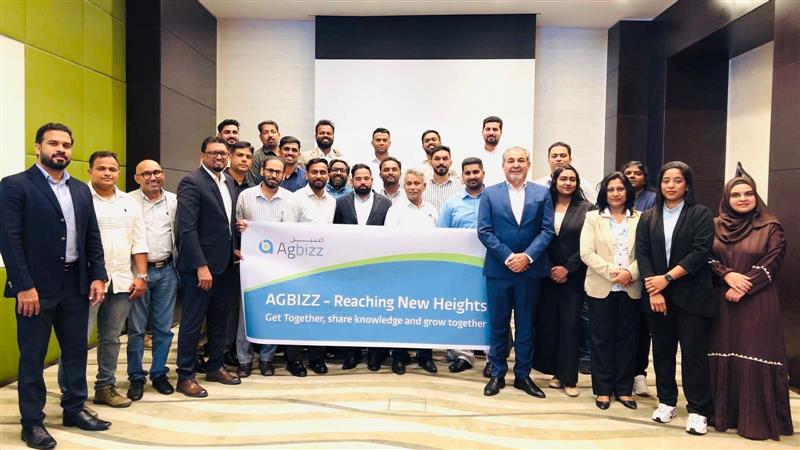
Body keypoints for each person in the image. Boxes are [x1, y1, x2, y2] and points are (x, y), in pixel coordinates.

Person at [0, 123, 110, 449]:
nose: (61, 149)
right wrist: (23, 285)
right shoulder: (15, 186)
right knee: (32, 357)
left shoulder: (80, 190)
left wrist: (98, 275)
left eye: (66, 145)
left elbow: (92, 236)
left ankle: (74, 409)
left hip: (75, 284)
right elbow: (9, 239)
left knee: (75, 352)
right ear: (38, 148)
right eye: (53, 143)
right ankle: (32, 423)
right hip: (35, 288)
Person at [709, 176, 793, 440]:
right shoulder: (714, 225)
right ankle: (723, 415)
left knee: (755, 353)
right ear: (727, 198)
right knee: (724, 351)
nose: (743, 198)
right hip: (723, 301)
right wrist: (726, 275)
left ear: (756, 197)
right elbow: (706, 257)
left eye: (748, 193)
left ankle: (756, 421)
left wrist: (743, 285)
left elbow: (773, 260)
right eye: (736, 195)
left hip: (758, 301)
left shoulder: (771, 227)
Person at [635, 161, 716, 435]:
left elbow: (700, 252)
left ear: (687, 185)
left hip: (692, 296)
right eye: (666, 180)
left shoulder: (700, 214)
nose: (671, 185)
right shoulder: (648, 217)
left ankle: (698, 410)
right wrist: (655, 289)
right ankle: (667, 401)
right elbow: (643, 254)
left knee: (694, 356)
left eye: (677, 180)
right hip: (657, 297)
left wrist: (666, 279)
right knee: (662, 353)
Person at [478, 147, 553, 398]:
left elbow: (547, 231)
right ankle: (497, 373)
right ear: (503, 165)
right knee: (499, 325)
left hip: (530, 271)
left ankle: (523, 375)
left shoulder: (542, 193)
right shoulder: (490, 194)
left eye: (521, 160)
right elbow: (484, 231)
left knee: (526, 326)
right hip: (499, 270)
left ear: (528, 164)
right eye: (511, 160)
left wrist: (527, 256)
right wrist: (509, 257)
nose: (516, 165)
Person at [175, 136, 242, 398]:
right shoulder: (192, 182)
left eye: (223, 153)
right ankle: (185, 376)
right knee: (192, 322)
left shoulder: (229, 183)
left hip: (225, 264)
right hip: (200, 268)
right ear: (203, 155)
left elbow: (223, 224)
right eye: (214, 153)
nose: (219, 157)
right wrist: (200, 265)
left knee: (219, 320)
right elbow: (187, 229)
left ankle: (215, 366)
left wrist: (233, 246)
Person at [235, 156, 310, 377]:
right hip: (251, 265)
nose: (273, 175)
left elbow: (295, 233)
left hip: (279, 266)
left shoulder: (291, 200)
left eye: (278, 172)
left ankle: (267, 359)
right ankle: (244, 360)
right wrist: (240, 231)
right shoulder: (246, 196)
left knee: (272, 311)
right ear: (262, 171)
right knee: (246, 313)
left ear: (283, 174)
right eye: (270, 170)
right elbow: (235, 226)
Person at [87, 151, 149, 408]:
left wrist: (141, 276)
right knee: (77, 341)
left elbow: (139, 241)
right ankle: (73, 394)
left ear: (119, 172)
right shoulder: (81, 199)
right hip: (89, 283)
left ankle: (105, 386)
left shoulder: (129, 202)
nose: (107, 173)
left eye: (112, 169)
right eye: (101, 168)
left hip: (123, 280)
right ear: (90, 171)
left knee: (111, 338)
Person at [580, 172, 642, 410]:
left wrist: (630, 273)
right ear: (604, 193)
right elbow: (586, 253)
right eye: (611, 189)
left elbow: (646, 252)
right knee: (601, 340)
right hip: (601, 286)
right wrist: (615, 272)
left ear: (628, 191)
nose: (616, 193)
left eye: (620, 189)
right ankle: (603, 390)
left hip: (631, 287)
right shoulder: (593, 218)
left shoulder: (641, 218)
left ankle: (624, 389)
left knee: (628, 340)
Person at [534, 141, 596, 375]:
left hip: (574, 275)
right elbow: (538, 238)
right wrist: (550, 266)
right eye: (563, 179)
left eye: (572, 179)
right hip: (546, 273)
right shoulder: (543, 205)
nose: (567, 183)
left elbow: (589, 244)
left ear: (577, 183)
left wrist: (567, 268)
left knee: (571, 326)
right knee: (547, 323)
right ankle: (549, 370)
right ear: (555, 182)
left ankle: (567, 376)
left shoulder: (587, 208)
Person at [127, 160, 179, 401]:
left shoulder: (174, 201)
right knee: (137, 329)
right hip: (138, 273)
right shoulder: (128, 202)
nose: (152, 177)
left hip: (167, 270)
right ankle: (136, 376)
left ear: (163, 174)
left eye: (157, 172)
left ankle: (159, 373)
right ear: (137, 178)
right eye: (146, 173)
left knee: (163, 328)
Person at [332, 164, 392, 370]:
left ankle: (374, 355)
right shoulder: (341, 203)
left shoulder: (386, 204)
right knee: (351, 312)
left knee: (375, 311)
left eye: (366, 178)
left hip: (377, 269)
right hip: (349, 268)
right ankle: (352, 354)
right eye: (358, 178)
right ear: (352, 181)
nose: (363, 182)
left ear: (372, 180)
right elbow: (335, 233)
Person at [381, 169, 439, 374]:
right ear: (404, 186)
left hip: (427, 272)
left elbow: (440, 239)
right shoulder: (395, 210)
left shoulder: (432, 209)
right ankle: (399, 356)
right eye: (409, 184)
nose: (413, 187)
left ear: (424, 186)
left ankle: (425, 356)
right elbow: (388, 241)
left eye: (417, 183)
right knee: (402, 313)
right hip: (402, 271)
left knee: (426, 313)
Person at [439, 157, 485, 372]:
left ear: (483, 173)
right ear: (462, 177)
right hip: (460, 266)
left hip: (491, 264)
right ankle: (462, 355)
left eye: (476, 172)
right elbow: (442, 235)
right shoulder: (452, 203)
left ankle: (493, 357)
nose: (472, 176)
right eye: (468, 173)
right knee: (460, 309)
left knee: (491, 309)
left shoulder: (495, 199)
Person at [621, 160, 656, 397]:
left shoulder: (652, 200)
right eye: (628, 173)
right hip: (614, 277)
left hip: (643, 276)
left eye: (637, 173)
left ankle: (639, 375)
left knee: (641, 330)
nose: (632, 176)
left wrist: (633, 272)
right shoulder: (616, 200)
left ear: (645, 177)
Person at [221, 141, 255, 368]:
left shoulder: (252, 187)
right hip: (224, 253)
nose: (244, 160)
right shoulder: (221, 183)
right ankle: (219, 350)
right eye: (240, 155)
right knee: (224, 305)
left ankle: (231, 349)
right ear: (230, 157)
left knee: (238, 305)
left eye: (248, 157)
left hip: (248, 256)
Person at [422, 145, 462, 210]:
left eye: (445, 159)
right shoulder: (423, 188)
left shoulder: (461, 187)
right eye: (437, 159)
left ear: (450, 163)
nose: (441, 162)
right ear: (430, 163)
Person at [246, 120, 280, 186]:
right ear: (260, 137)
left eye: (273, 132)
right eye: (265, 133)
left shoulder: (287, 153)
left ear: (278, 135)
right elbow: (252, 183)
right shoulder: (256, 156)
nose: (270, 135)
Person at [480, 116, 506, 186]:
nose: (491, 133)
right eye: (488, 129)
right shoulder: (472, 154)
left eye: (495, 129)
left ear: (501, 132)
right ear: (482, 132)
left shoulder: (507, 155)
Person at [368, 127, 392, 192]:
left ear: (389, 143)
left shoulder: (396, 165)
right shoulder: (366, 164)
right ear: (372, 143)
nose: (381, 143)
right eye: (378, 140)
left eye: (385, 140)